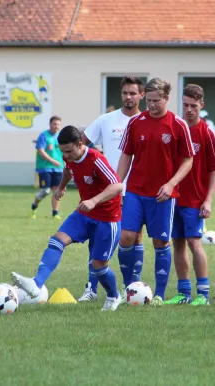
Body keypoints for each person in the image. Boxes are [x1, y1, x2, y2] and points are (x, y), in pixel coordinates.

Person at [11, 125, 124, 311]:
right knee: (57, 240)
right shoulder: (68, 156)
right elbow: (68, 169)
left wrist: (94, 201)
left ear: (80, 144)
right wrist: (62, 186)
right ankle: (36, 283)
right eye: (63, 151)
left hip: (107, 219)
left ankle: (113, 296)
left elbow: (117, 186)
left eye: (70, 151)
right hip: (84, 213)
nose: (66, 155)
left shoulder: (96, 159)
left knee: (99, 267)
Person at [117, 77, 194, 306]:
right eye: (148, 100)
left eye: (155, 101)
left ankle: (159, 294)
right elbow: (126, 156)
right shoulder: (135, 123)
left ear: (166, 99)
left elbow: (188, 160)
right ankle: (129, 287)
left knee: (160, 242)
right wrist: (118, 185)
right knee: (127, 237)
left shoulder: (178, 125)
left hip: (162, 195)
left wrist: (171, 184)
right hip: (135, 191)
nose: (150, 105)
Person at [79, 76, 146, 302]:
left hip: (137, 190)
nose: (128, 97)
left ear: (141, 95)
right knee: (99, 238)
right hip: (109, 190)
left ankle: (133, 287)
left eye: (132, 93)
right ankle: (91, 288)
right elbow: (81, 145)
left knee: (135, 237)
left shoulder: (146, 121)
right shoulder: (106, 120)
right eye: (125, 93)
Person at [164, 84, 215, 306]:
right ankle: (183, 293)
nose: (189, 110)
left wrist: (208, 200)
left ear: (202, 106)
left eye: (193, 106)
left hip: (195, 200)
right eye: (185, 105)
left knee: (194, 243)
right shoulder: (175, 128)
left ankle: (203, 295)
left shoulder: (207, 133)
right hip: (173, 198)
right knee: (176, 243)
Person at [31, 116, 64, 220]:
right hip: (45, 167)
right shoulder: (44, 136)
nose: (56, 126)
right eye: (54, 124)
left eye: (58, 124)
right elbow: (41, 151)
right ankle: (34, 206)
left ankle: (55, 213)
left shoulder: (61, 137)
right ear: (50, 125)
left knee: (57, 191)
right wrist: (53, 161)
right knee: (45, 190)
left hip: (58, 168)